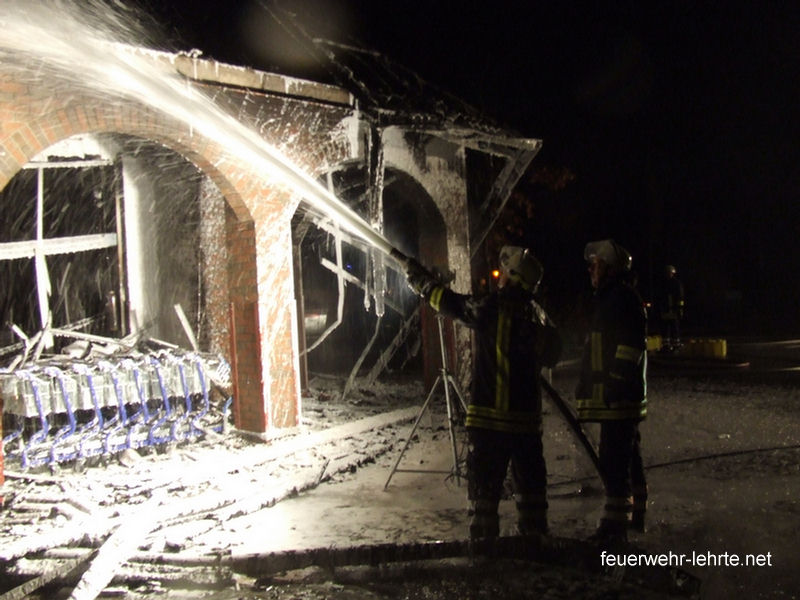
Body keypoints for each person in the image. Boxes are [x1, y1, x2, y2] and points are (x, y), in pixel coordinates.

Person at [404, 246, 561, 540]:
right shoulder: (538, 315)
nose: (499, 279)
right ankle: (535, 548)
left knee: (483, 501)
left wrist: (423, 283)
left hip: (489, 424)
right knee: (531, 498)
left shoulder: (492, 307)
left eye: (504, 273)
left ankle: (484, 553)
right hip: (526, 427)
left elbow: (453, 305)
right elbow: (554, 352)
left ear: (513, 277)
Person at [576, 239, 648, 544]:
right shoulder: (611, 297)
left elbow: (629, 347)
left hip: (619, 396)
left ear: (609, 268)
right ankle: (637, 514)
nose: (591, 269)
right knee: (628, 456)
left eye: (596, 264)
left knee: (613, 462)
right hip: (617, 395)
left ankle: (613, 529)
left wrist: (616, 382)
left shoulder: (621, 299)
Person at [660, 264, 685, 352]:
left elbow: (680, 298)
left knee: (671, 327)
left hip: (671, 310)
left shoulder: (672, 284)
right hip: (669, 310)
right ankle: (670, 345)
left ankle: (672, 345)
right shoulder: (671, 283)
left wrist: (679, 309)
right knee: (669, 328)